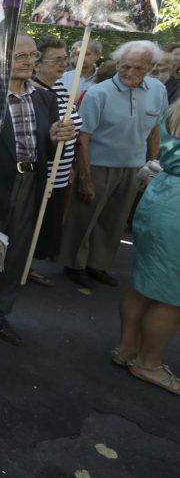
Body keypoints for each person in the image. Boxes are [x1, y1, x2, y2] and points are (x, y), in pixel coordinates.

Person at [0, 34, 75, 347]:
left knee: (17, 253)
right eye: (21, 56)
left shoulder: (44, 97)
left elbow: (43, 145)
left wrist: (55, 135)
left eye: (33, 56)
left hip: (30, 184)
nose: (29, 62)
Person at [58, 41, 168, 289]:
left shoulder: (158, 89)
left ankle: (97, 264)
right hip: (97, 165)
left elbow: (154, 130)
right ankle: (75, 264)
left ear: (150, 67)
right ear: (117, 64)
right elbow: (82, 137)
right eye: (125, 66)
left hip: (134, 167)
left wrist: (152, 165)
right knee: (85, 216)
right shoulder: (100, 93)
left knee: (114, 220)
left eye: (138, 68)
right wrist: (85, 176)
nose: (130, 72)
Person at [111, 98, 180, 395]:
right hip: (174, 208)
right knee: (171, 296)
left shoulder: (175, 108)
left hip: (162, 195)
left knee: (144, 281)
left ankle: (127, 348)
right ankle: (148, 362)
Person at [28, 36, 84, 286]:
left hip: (60, 173)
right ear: (37, 63)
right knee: (27, 223)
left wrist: (71, 165)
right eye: (56, 60)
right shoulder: (30, 91)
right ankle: (13, 268)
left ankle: (26, 265)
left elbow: (75, 130)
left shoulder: (63, 88)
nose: (63, 65)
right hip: (40, 172)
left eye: (65, 59)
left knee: (44, 226)